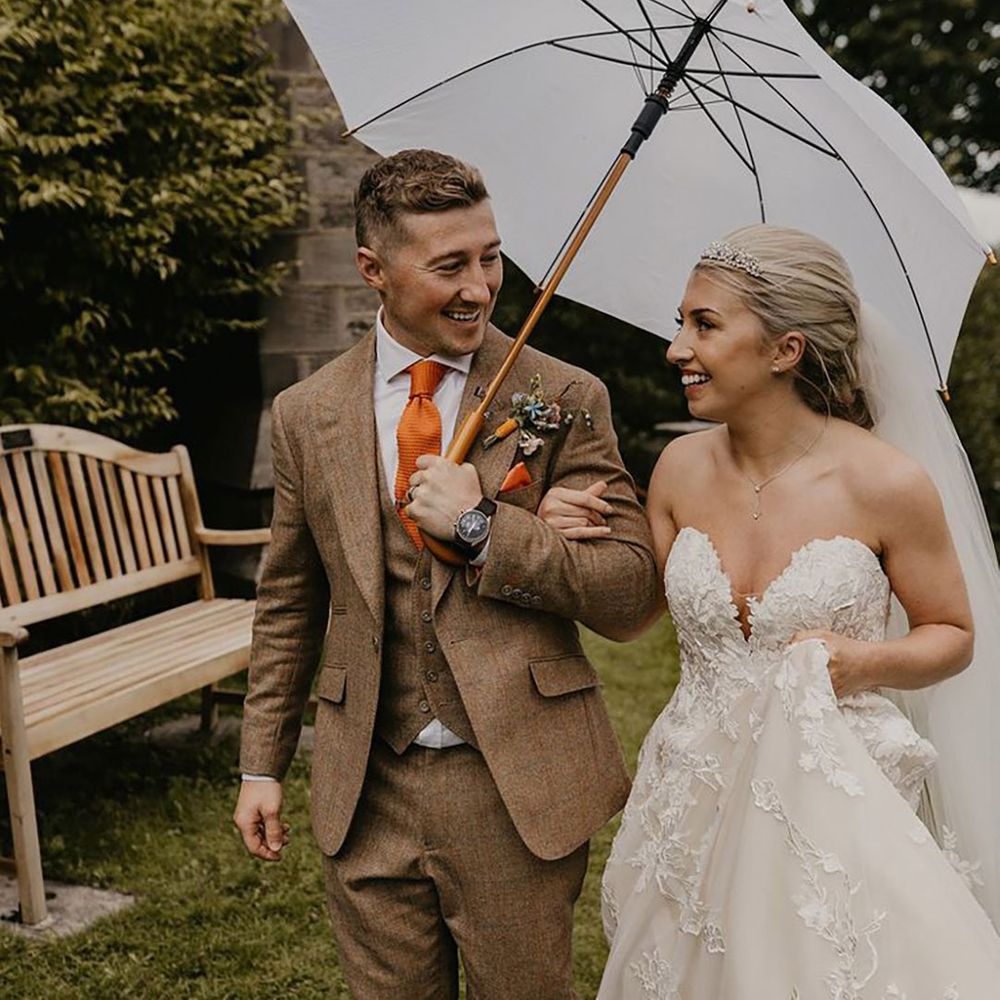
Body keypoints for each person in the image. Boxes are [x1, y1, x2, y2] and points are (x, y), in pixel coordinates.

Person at [232, 148, 660, 1000]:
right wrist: (261, 764)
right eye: (449, 265)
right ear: (373, 270)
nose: (480, 285)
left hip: (514, 781)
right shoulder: (305, 413)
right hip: (367, 783)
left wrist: (482, 527)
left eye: (491, 257)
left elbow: (629, 592)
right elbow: (288, 600)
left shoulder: (563, 394)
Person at [539, 224, 1000, 996]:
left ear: (785, 350)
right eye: (680, 322)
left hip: (833, 797)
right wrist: (566, 537)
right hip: (693, 789)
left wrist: (866, 662)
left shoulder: (886, 482)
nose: (677, 348)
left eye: (705, 325)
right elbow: (632, 618)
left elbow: (952, 636)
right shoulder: (680, 469)